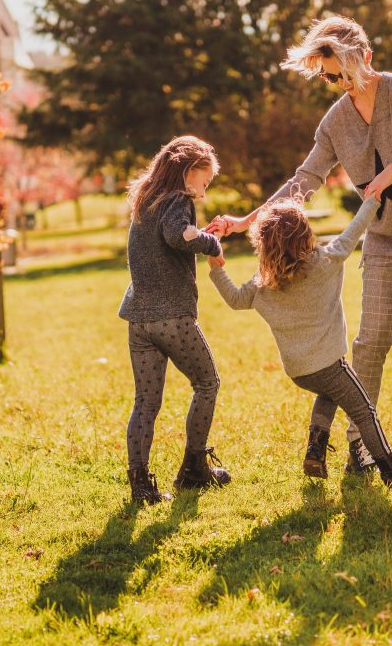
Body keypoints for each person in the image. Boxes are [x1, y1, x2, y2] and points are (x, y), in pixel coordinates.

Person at [209, 15, 392, 477]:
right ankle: (359, 449)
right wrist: (249, 220)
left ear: (363, 58)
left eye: (338, 73)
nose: (335, 84)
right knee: (369, 344)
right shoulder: (336, 121)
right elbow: (305, 179)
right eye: (326, 76)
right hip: (385, 245)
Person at [207, 193, 392, 487]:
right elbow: (355, 229)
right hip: (330, 364)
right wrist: (373, 200)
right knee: (364, 412)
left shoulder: (262, 283)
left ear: (262, 244)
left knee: (330, 392)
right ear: (305, 235)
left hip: (300, 372)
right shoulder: (326, 261)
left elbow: (235, 300)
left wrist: (216, 266)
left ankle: (315, 450)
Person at [118, 136, 231, 505]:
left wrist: (201, 234)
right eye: (205, 179)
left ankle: (140, 483)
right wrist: (211, 245)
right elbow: (177, 235)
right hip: (171, 318)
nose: (205, 187)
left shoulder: (147, 198)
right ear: (187, 171)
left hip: (139, 320)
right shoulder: (177, 200)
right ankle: (194, 469)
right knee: (208, 383)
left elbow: (175, 234)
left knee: (146, 402)